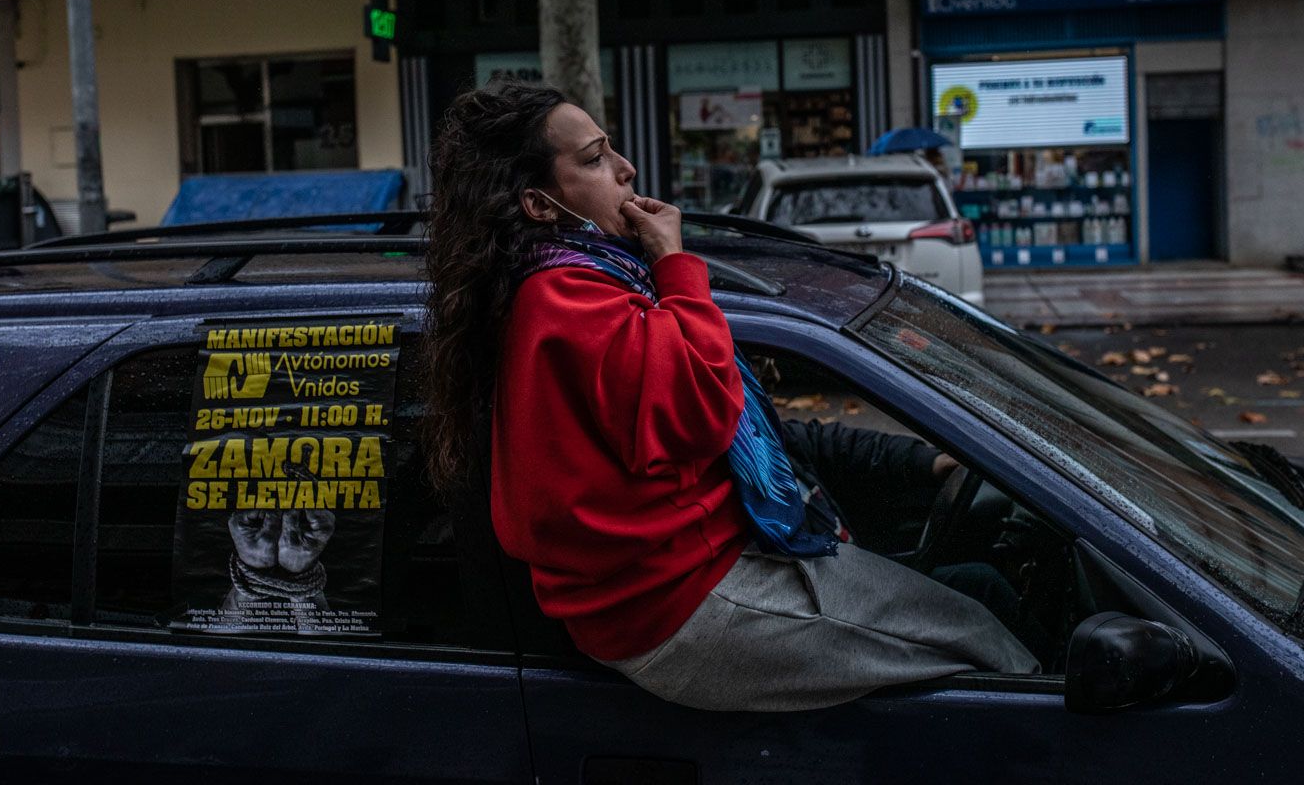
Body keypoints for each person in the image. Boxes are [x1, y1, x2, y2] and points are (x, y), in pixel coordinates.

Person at [421, 82, 1037, 712]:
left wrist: (919, 463)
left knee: (975, 596)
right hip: (684, 599)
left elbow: (750, 425)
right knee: (986, 643)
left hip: (698, 572)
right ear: (539, 203)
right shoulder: (569, 297)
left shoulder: (583, 283)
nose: (625, 168)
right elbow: (703, 412)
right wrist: (676, 267)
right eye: (595, 159)